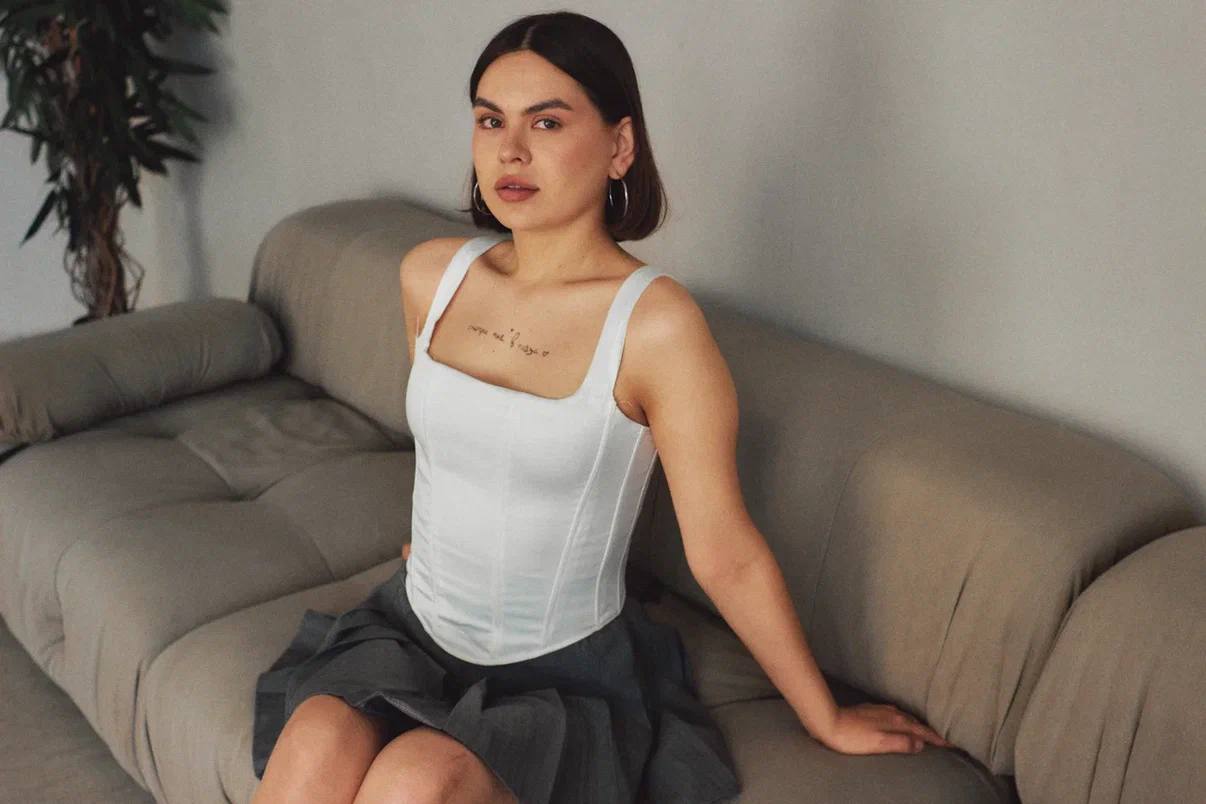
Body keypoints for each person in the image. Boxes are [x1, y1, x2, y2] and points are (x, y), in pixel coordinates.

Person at [250, 10, 953, 804]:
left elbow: (724, 552)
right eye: (490, 120)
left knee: (413, 782)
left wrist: (825, 715)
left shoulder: (656, 326)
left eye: (547, 122)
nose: (511, 151)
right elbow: (453, 444)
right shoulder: (431, 275)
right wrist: (436, 543)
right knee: (313, 738)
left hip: (558, 674)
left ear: (620, 146)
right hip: (412, 627)